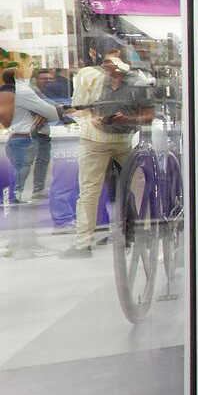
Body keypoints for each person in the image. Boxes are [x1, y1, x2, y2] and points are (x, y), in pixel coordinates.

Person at [63, 47, 152, 257]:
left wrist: (90, 116)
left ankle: (83, 242)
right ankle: (145, 231)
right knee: (137, 184)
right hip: (123, 139)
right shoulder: (135, 77)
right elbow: (144, 111)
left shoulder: (87, 74)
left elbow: (78, 107)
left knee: (89, 191)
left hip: (95, 138)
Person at [7, 66, 59, 205]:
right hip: (25, 134)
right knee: (23, 166)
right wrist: (56, 112)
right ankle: (17, 193)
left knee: (35, 163)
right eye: (44, 78)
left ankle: (30, 191)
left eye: (49, 78)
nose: (47, 81)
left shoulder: (24, 90)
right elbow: (50, 110)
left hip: (32, 133)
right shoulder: (26, 91)